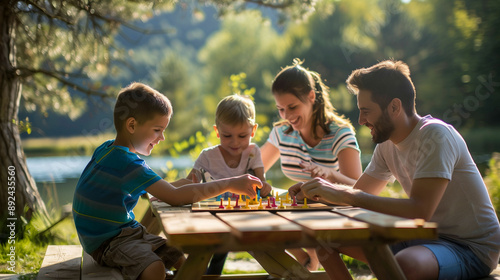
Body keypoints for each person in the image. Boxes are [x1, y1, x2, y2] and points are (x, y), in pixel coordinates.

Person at [291, 60, 500, 280]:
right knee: (326, 241)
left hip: (469, 247)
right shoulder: (387, 145)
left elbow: (420, 210)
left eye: (366, 111)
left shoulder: (436, 136)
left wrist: (346, 194)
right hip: (423, 238)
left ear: (394, 107)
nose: (361, 120)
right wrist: (315, 193)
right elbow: (360, 193)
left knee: (404, 265)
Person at [73, 83, 262, 280]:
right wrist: (231, 183)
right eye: (157, 130)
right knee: (155, 269)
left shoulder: (108, 149)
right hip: (107, 242)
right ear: (131, 125)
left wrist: (187, 183)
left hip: (118, 233)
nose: (162, 137)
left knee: (179, 258)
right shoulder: (129, 164)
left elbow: (160, 190)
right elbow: (174, 197)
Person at [260, 59, 362, 270]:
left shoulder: (340, 134)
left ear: (311, 97)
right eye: (280, 109)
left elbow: (360, 191)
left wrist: (331, 175)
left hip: (332, 213)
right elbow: (254, 172)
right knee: (255, 225)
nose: (287, 116)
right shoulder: (282, 133)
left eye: (292, 107)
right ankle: (304, 263)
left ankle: (306, 265)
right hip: (299, 211)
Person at [187, 94, 272, 274]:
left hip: (242, 216)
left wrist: (265, 187)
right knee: (207, 249)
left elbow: (261, 182)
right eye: (227, 136)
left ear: (253, 130)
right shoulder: (207, 156)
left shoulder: (252, 152)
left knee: (226, 250)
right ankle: (198, 273)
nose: (235, 142)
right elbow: (189, 182)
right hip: (210, 215)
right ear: (217, 131)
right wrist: (165, 190)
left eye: (242, 136)